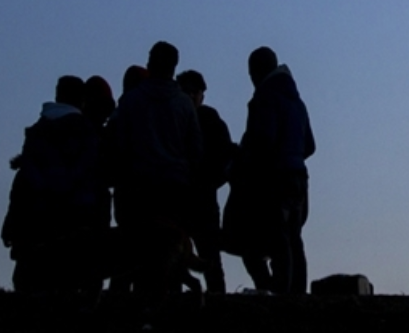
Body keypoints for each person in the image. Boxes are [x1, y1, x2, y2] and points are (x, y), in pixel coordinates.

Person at [112, 41, 203, 294]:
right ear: (174, 67)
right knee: (168, 254)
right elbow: (195, 149)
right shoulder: (185, 105)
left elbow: (120, 145)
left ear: (151, 63)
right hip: (174, 189)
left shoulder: (131, 101)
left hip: (137, 188)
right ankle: (167, 308)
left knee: (133, 252)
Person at [224, 46, 315, 294]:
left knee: (274, 240)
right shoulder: (298, 102)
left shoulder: (264, 99)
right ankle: (297, 295)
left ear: (255, 72)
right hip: (299, 178)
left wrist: (242, 164)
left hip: (274, 180)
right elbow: (310, 145)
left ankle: (278, 295)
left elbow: (262, 142)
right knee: (294, 240)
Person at [2, 76, 103, 293]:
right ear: (82, 100)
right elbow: (86, 173)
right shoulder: (86, 131)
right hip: (74, 218)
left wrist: (12, 220)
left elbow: (23, 182)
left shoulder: (37, 132)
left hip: (35, 217)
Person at [176, 69, 235, 294]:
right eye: (187, 91)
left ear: (202, 94)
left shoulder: (209, 120)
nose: (191, 96)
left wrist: (208, 183)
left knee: (209, 259)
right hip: (185, 198)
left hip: (200, 199)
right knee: (178, 260)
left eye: (195, 91)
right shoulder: (201, 119)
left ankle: (215, 304)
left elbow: (225, 159)